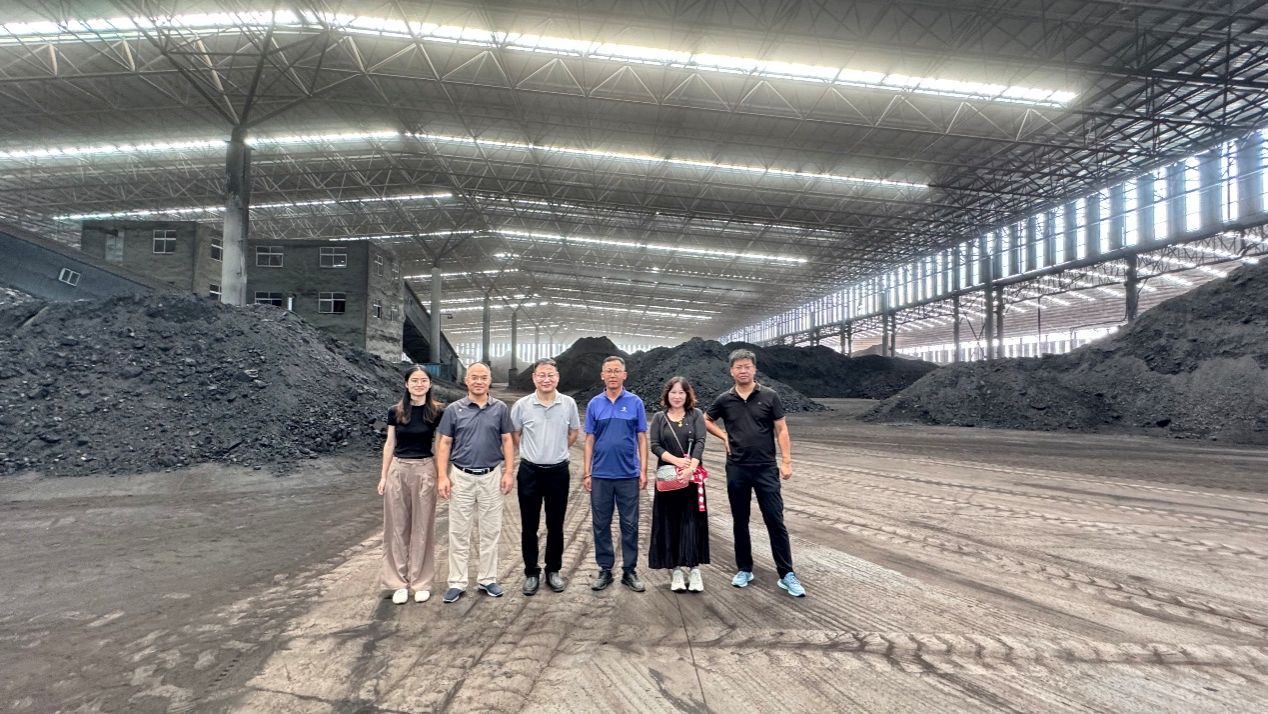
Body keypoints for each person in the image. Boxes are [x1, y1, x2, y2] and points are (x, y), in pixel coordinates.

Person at [704, 349, 806, 597]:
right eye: (738, 367)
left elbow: (781, 429)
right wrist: (723, 436)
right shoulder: (724, 399)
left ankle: (786, 574)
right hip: (737, 468)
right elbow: (706, 419)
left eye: (747, 366)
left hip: (765, 468)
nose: (743, 370)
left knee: (775, 520)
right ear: (731, 371)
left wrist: (787, 461)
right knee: (740, 520)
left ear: (754, 369)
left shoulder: (770, 396)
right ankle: (744, 569)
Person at [435, 363, 515, 603]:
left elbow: (507, 440)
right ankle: (457, 582)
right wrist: (442, 476)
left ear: (489, 381)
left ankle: (487, 579)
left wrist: (508, 472)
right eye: (474, 377)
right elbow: (444, 443)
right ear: (466, 380)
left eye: (483, 377)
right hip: (461, 476)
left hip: (491, 475)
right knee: (459, 531)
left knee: (491, 530)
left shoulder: (500, 409)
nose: (479, 381)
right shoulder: (454, 410)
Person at [510, 358, 581, 596]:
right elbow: (515, 434)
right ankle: (531, 572)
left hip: (558, 473)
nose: (546, 379)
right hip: (529, 472)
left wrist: (557, 450)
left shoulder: (568, 403)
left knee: (556, 525)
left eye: (550, 375)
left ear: (557, 377)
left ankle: (553, 570)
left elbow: (573, 432)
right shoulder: (522, 405)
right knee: (529, 525)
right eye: (541, 375)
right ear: (534, 378)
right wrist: (532, 451)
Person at [378, 365, 444, 604]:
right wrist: (384, 476)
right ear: (406, 384)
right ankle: (397, 583)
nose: (419, 384)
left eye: (423, 380)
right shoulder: (395, 411)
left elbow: (440, 445)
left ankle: (421, 582)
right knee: (396, 527)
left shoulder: (437, 412)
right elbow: (390, 444)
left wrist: (442, 476)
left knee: (423, 527)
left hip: (425, 470)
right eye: (414, 380)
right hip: (398, 469)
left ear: (429, 384)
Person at [583, 356, 648, 592]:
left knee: (630, 524)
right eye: (608, 371)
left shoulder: (635, 402)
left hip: (628, 475)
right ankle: (605, 570)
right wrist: (587, 472)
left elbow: (642, 437)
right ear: (602, 375)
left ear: (624, 375)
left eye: (617, 371)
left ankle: (629, 570)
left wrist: (643, 470)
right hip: (601, 475)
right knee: (601, 524)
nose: (612, 375)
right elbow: (589, 439)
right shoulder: (594, 404)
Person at [648, 376, 710, 593]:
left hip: (690, 477)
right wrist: (676, 461)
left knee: (691, 522)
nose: (677, 396)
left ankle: (694, 570)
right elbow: (655, 445)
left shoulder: (696, 415)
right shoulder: (659, 418)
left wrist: (691, 468)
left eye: (681, 392)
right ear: (667, 395)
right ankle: (675, 570)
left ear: (687, 395)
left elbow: (700, 441)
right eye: (673, 392)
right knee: (670, 522)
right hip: (668, 477)